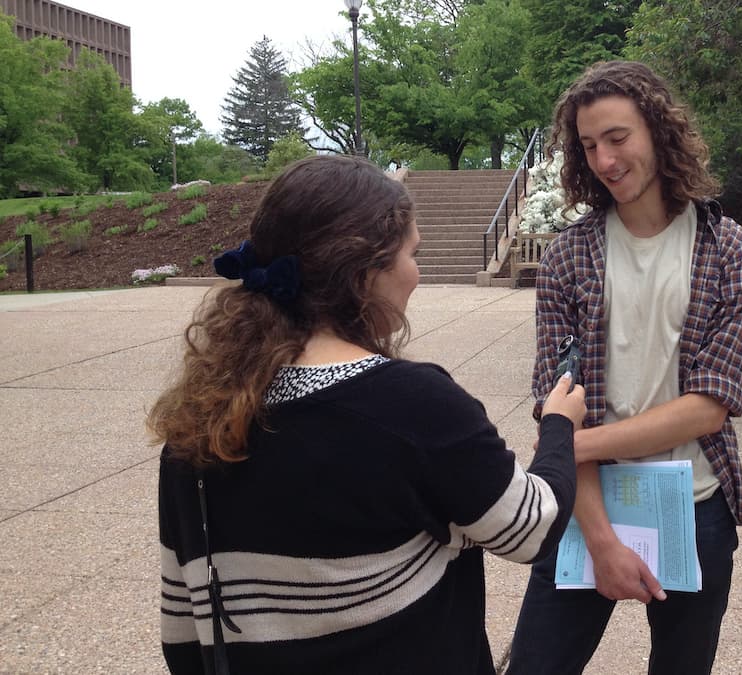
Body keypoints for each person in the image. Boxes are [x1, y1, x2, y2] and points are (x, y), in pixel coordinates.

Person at [150, 154, 585, 675]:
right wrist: (561, 426)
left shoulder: (197, 420)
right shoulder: (414, 405)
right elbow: (529, 529)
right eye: (411, 254)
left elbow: (182, 629)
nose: (416, 274)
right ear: (364, 272)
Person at [506, 61, 742, 675]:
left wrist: (568, 443)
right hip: (587, 502)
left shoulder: (734, 252)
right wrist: (600, 540)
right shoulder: (571, 256)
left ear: (658, 130)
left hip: (695, 503)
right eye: (589, 145)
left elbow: (708, 403)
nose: (604, 160)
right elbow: (557, 394)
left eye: (617, 138)